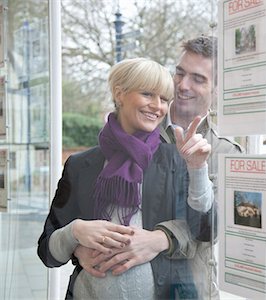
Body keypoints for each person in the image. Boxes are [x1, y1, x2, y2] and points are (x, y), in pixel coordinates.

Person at [37, 58, 214, 300]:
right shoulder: (80, 165)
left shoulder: (175, 158)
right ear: (120, 94)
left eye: (164, 99)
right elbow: (47, 250)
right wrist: (75, 234)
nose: (157, 106)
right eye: (148, 94)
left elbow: (205, 228)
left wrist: (159, 239)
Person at [159, 35, 243, 299]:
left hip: (194, 289)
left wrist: (159, 238)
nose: (183, 85)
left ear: (218, 89)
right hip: (135, 283)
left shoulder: (228, 152)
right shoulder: (141, 130)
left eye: (198, 79)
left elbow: (213, 230)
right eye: (180, 73)